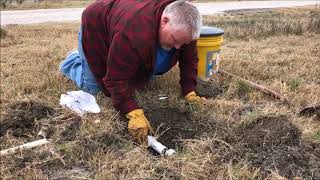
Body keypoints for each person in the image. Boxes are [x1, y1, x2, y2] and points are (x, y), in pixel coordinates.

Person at [60, 0, 206, 144]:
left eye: (183, 42)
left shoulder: (185, 26)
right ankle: (73, 60)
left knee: (139, 74)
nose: (178, 46)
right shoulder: (135, 31)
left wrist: (189, 90)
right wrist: (131, 110)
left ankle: (115, 54)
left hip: (125, 34)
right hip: (99, 28)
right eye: (175, 40)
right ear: (164, 20)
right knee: (95, 88)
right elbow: (115, 80)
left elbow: (189, 58)